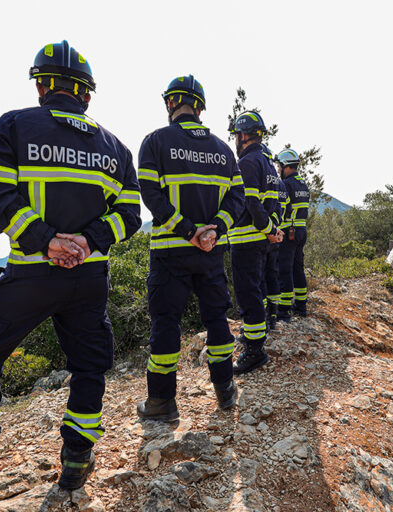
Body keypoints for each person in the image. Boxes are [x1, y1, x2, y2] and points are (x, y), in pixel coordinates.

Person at [0, 40, 141, 495]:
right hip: (89, 278)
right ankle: (77, 459)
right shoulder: (115, 147)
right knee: (90, 365)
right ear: (86, 94)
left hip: (32, 275)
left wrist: (46, 241)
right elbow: (130, 213)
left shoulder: (13, 126)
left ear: (41, 86)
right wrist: (87, 242)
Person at [136, 75, 244, 422]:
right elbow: (237, 198)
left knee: (166, 323)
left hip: (170, 251)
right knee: (217, 319)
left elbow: (151, 195)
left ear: (171, 103)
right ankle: (225, 390)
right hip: (212, 252)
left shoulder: (155, 142)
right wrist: (214, 230)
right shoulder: (224, 150)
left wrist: (187, 230)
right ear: (200, 108)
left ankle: (161, 402)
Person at [228, 112, 284, 374]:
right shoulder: (268, 164)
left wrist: (267, 228)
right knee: (256, 292)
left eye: (236, 136)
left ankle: (254, 351)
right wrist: (272, 229)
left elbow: (250, 202)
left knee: (248, 294)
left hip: (247, 240)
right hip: (261, 240)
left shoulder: (248, 162)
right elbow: (274, 204)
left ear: (242, 135)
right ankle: (253, 336)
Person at [276, 149, 310, 321]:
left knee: (284, 270)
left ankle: (284, 310)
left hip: (289, 232)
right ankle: (301, 306)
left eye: (279, 166)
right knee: (298, 268)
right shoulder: (303, 184)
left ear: (285, 166)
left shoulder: (286, 184)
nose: (278, 169)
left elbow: (282, 208)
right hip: (301, 231)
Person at [261, 144, 288, 331]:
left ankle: (263, 318)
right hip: (275, 235)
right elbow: (281, 209)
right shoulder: (279, 183)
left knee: (261, 278)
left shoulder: (259, 177)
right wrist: (274, 227)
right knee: (272, 275)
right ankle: (272, 316)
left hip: (261, 236)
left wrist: (267, 229)